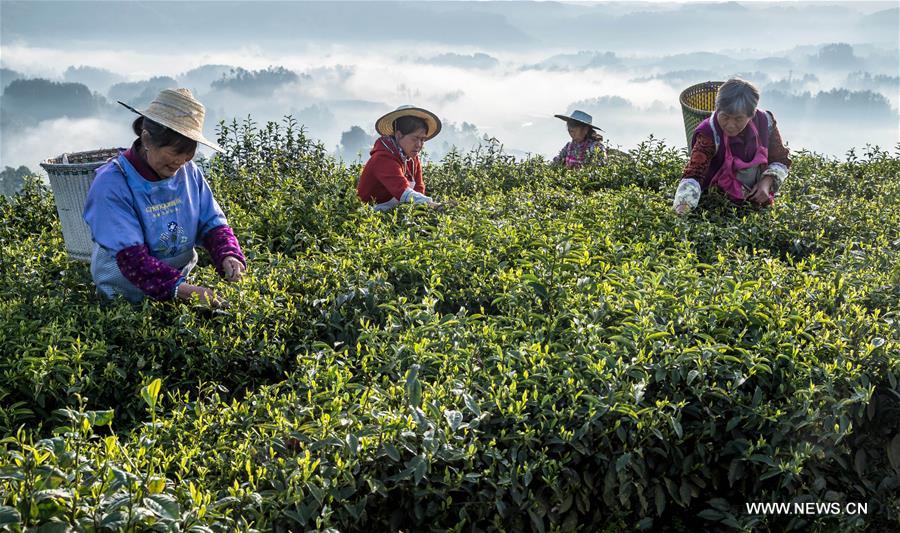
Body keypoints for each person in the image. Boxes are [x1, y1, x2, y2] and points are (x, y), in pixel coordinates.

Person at [83, 88, 246, 305]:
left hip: (180, 285)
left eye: (189, 152)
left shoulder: (189, 172)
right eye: (175, 151)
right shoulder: (112, 183)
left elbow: (212, 223)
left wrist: (228, 255)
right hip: (126, 298)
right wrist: (182, 290)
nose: (182, 160)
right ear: (147, 139)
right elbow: (132, 260)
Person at [673, 78, 791, 214]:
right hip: (717, 204)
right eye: (724, 117)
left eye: (738, 119)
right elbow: (694, 174)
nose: (730, 125)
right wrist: (683, 208)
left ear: (751, 115)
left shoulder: (765, 122)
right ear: (717, 109)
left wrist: (766, 182)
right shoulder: (708, 133)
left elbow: (780, 159)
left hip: (756, 203)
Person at [357, 105, 443, 211]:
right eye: (415, 138)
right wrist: (432, 205)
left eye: (422, 140)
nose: (419, 144)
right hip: (370, 217)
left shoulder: (412, 159)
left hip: (395, 214)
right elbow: (402, 190)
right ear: (398, 135)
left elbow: (419, 189)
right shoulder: (382, 158)